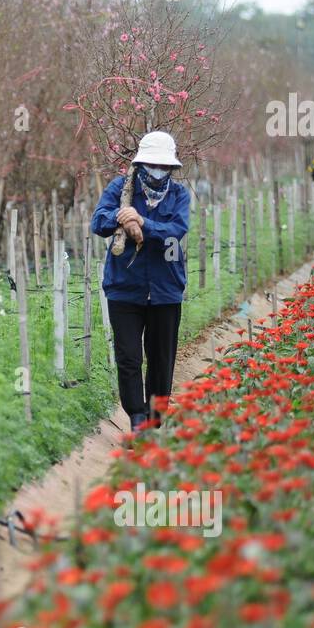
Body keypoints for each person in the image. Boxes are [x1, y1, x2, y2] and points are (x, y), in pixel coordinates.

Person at [91, 130, 190, 434]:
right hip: (125, 289)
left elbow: (176, 230)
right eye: (153, 165)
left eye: (164, 166)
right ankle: (136, 417)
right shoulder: (121, 188)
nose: (158, 171)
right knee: (129, 357)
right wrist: (123, 218)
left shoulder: (179, 195)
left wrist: (144, 222)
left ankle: (155, 420)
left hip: (166, 290)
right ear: (141, 163)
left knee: (161, 359)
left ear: (171, 168)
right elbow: (99, 221)